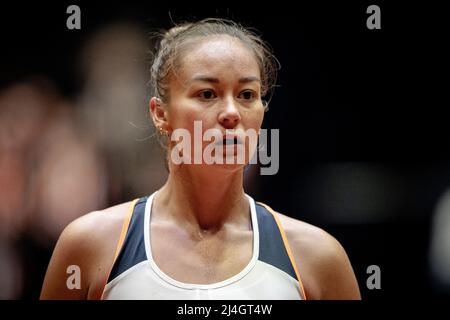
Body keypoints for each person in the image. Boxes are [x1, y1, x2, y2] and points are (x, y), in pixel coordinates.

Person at [40, 18, 361, 300]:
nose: (232, 113)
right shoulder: (91, 245)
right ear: (160, 114)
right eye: (207, 94)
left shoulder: (318, 257)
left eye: (247, 95)